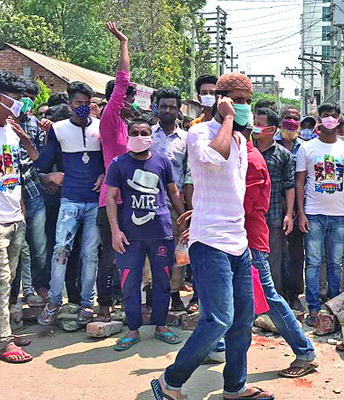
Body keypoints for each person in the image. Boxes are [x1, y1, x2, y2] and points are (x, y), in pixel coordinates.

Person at [152, 72, 274, 400]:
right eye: (238, 100)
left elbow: (227, 188)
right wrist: (229, 118)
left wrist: (234, 124)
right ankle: (169, 381)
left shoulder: (238, 139)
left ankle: (234, 386)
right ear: (221, 100)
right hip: (209, 242)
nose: (244, 107)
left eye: (248, 101)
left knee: (242, 320)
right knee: (219, 318)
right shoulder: (199, 133)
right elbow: (211, 158)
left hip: (238, 242)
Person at [244, 115, 318, 379]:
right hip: (239, 236)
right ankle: (218, 347)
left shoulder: (251, 161)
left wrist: (290, 213)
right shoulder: (242, 155)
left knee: (269, 295)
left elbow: (245, 204)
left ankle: (304, 350)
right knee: (224, 297)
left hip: (251, 235)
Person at [105, 118, 184, 350]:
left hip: (161, 232)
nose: (140, 136)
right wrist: (115, 231)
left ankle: (160, 325)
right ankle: (133, 328)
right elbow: (110, 197)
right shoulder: (118, 163)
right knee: (130, 282)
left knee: (162, 281)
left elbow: (173, 191)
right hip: (130, 236)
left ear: (151, 136)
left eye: (144, 132)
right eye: (135, 132)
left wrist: (185, 217)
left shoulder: (162, 161)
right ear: (128, 136)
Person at [36, 81, 105, 326]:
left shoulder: (101, 127)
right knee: (60, 250)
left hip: (95, 202)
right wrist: (49, 177)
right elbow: (42, 165)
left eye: (87, 104)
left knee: (89, 253)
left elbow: (113, 160)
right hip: (70, 200)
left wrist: (105, 174)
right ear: (69, 104)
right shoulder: (59, 129)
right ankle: (54, 300)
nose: (83, 108)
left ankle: (87, 303)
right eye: (78, 104)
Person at [295, 103, 344, 326]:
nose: (330, 119)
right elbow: (300, 182)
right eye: (325, 116)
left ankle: (334, 305)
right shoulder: (307, 148)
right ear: (320, 120)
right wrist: (301, 213)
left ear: (339, 119)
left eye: (333, 116)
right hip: (313, 214)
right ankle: (313, 307)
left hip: (339, 215)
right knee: (312, 262)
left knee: (336, 263)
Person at [0, 71, 39, 363]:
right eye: (17, 99)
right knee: (0, 282)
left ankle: (3, 331)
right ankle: (4, 341)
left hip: (14, 218)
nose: (22, 105)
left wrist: (20, 212)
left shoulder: (11, 131)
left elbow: (18, 175)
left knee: (8, 283)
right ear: (0, 98)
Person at [94, 21, 136, 321]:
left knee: (128, 256)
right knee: (108, 257)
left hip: (131, 202)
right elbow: (122, 80)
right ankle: (105, 305)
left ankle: (123, 303)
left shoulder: (131, 127)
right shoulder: (110, 119)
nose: (130, 103)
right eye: (127, 98)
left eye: (132, 99)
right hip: (110, 202)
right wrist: (123, 44)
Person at [148, 86, 192, 311]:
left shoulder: (187, 139)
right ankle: (150, 295)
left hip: (175, 204)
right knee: (150, 251)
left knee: (177, 250)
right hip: (147, 203)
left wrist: (186, 208)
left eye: (172, 107)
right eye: (163, 106)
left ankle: (174, 294)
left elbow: (188, 173)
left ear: (179, 109)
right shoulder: (145, 135)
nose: (167, 110)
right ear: (156, 107)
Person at [10, 77, 48, 309]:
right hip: (11, 197)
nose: (25, 103)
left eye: (30, 99)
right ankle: (16, 298)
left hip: (33, 190)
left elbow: (42, 160)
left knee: (38, 245)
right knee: (16, 250)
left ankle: (37, 286)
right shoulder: (1, 125)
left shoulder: (35, 124)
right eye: (20, 98)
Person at [252, 108, 294, 297]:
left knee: (273, 261)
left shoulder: (283, 155)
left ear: (271, 130)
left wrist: (289, 215)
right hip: (248, 216)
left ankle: (272, 301)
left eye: (259, 124)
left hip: (273, 215)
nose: (255, 127)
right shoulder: (245, 150)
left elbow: (289, 186)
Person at [276, 106, 307, 311]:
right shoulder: (268, 143)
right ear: (280, 121)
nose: (291, 122)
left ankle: (294, 294)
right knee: (275, 253)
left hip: (298, 208)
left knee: (296, 253)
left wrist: (298, 209)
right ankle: (276, 295)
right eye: (287, 118)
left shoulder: (305, 147)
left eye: (295, 119)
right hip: (273, 205)